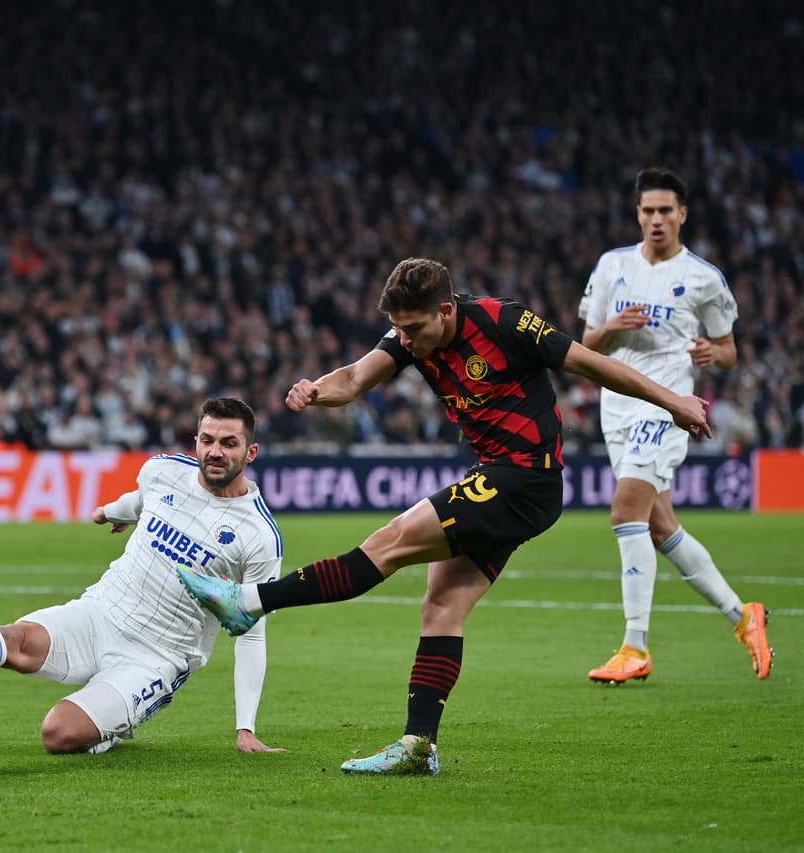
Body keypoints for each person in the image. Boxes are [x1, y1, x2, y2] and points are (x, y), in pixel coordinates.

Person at [176, 257, 712, 776]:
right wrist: (317, 390)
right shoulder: (410, 336)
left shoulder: (505, 322)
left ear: (446, 311)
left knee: (390, 542)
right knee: (442, 606)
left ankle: (250, 602)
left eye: (413, 328)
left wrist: (673, 401)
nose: (406, 340)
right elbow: (356, 377)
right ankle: (418, 746)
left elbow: (593, 364)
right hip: (502, 479)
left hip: (523, 479)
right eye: (398, 329)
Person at [0, 397, 285, 755]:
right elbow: (142, 500)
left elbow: (252, 633)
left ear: (250, 451)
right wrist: (111, 511)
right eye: (207, 440)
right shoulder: (163, 471)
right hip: (100, 612)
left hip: (156, 655)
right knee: (19, 641)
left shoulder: (259, 537)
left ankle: (112, 727)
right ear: (196, 441)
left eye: (229, 443)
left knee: (58, 733)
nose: (215, 452)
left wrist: (245, 729)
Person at [578, 167, 772, 684]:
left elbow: (728, 351)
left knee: (625, 511)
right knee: (659, 526)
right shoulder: (612, 266)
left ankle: (634, 646)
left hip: (667, 406)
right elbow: (586, 344)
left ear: (682, 214)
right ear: (638, 214)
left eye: (666, 210)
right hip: (617, 406)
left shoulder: (704, 277)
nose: (656, 219)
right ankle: (743, 616)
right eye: (648, 211)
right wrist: (611, 326)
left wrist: (714, 353)